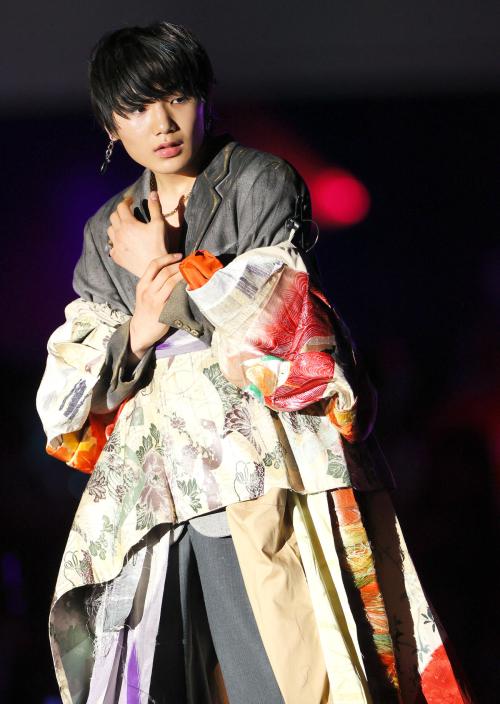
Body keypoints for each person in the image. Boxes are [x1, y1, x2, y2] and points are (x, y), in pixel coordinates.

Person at [36, 20, 470, 704]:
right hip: (154, 476)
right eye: (137, 108)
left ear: (205, 97)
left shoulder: (259, 181)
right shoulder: (107, 229)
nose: (163, 122)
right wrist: (138, 336)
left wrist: (160, 273)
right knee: (157, 665)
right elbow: (74, 379)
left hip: (259, 455)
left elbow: (281, 320)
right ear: (112, 126)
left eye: (176, 96)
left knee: (283, 654)